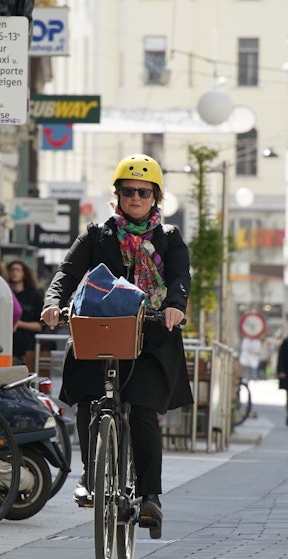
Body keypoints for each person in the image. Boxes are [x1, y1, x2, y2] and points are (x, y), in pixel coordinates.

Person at [41, 153, 191, 536]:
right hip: (102, 330)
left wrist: (175, 306)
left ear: (155, 197)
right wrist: (53, 302)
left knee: (141, 411)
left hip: (152, 335)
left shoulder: (169, 238)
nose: (135, 197)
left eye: (144, 192)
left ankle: (150, 496)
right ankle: (90, 474)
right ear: (118, 195)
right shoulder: (97, 234)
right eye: (128, 191)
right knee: (88, 397)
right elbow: (66, 273)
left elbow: (179, 278)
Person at [7, 259, 44, 368]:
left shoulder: (34, 295)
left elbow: (39, 325)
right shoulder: (6, 292)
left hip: (26, 347)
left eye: (18, 270)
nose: (14, 273)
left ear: (24, 273)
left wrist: (18, 323)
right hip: (8, 345)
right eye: (12, 270)